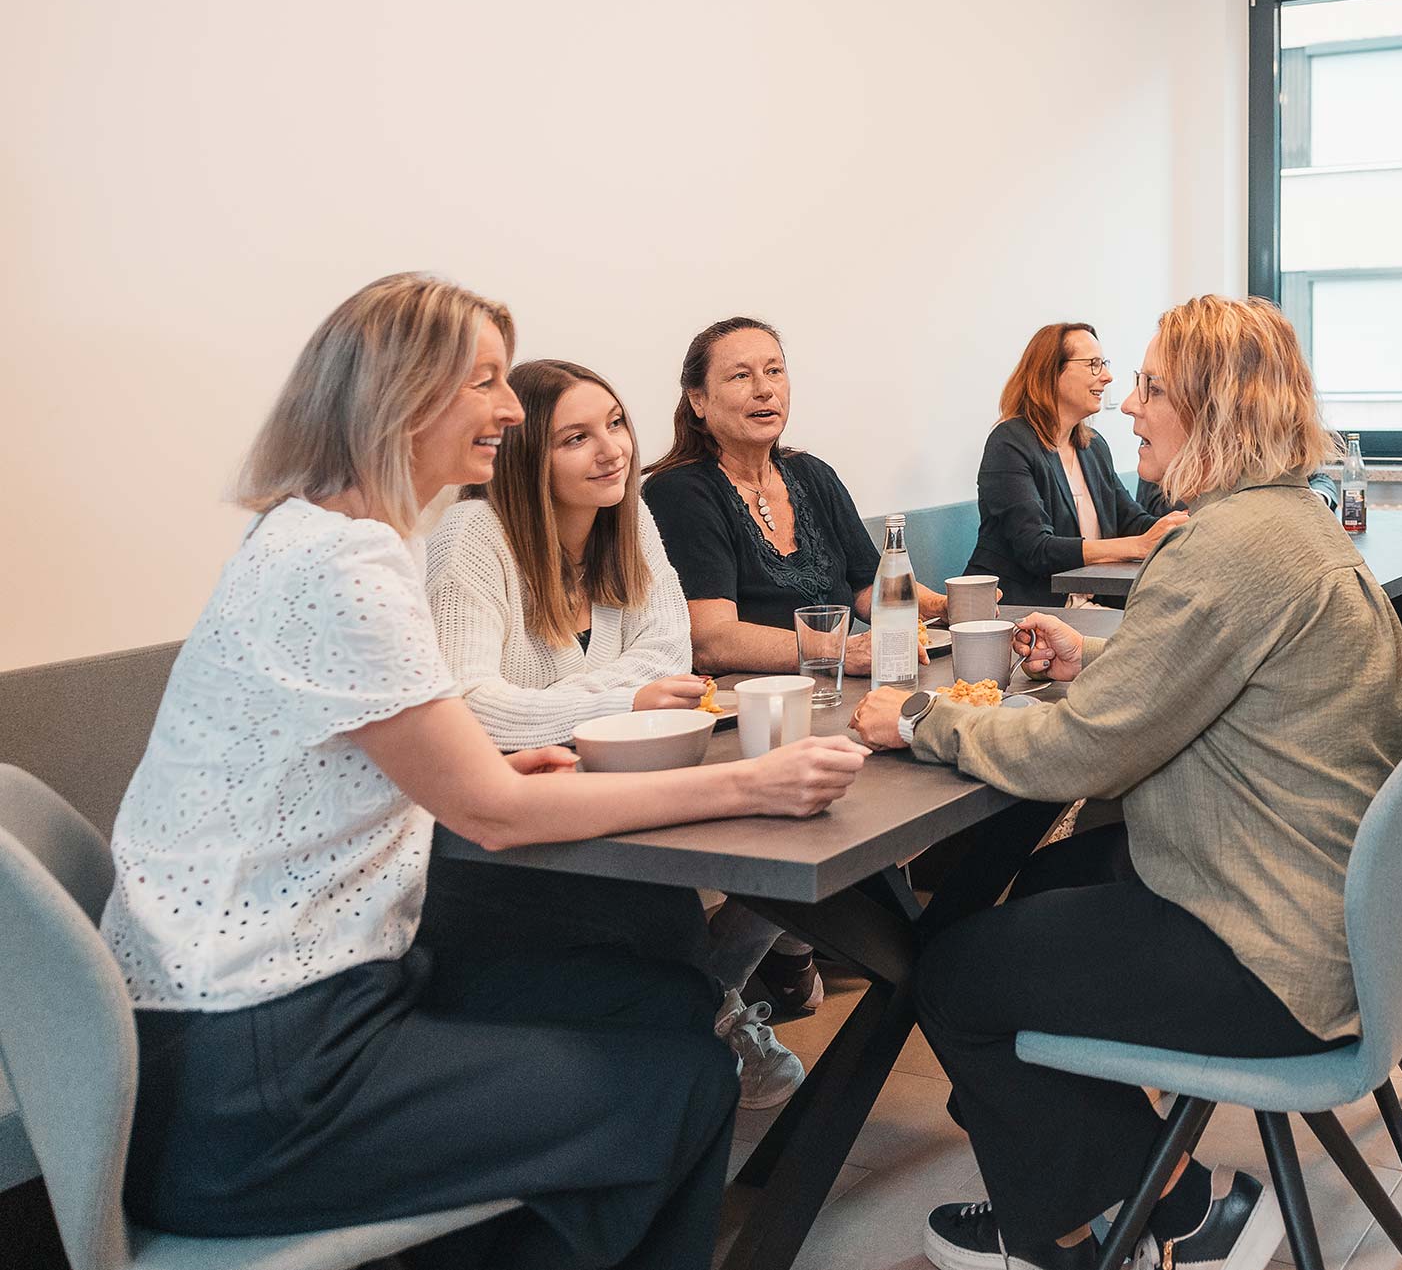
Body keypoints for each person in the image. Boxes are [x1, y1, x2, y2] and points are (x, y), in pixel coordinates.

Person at [101, 273, 868, 1270]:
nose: (512, 408)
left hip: (212, 1048)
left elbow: (401, 765)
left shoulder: (307, 534)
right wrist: (750, 784)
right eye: (487, 381)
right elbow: (498, 815)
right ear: (402, 393)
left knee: (673, 1003)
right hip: (258, 1078)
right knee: (686, 1077)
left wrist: (492, 760)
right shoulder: (350, 564)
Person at [849, 295, 1402, 1270]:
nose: (1129, 406)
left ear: (1211, 403)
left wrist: (917, 716)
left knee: (950, 970)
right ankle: (1149, 1198)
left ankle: (1084, 1226)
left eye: (1150, 386)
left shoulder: (1225, 547)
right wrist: (1098, 666)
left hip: (1272, 953)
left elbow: (1079, 756)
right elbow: (1192, 684)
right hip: (1325, 912)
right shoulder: (1287, 524)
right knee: (1046, 884)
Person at [421, 357, 806, 1107]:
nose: (612, 450)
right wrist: (622, 699)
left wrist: (608, 700)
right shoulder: (472, 533)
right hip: (503, 826)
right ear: (527, 452)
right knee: (668, 902)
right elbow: (469, 705)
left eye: (617, 423)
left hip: (616, 783)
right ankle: (700, 1019)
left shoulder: (630, 521)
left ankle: (708, 1008)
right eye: (576, 437)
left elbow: (668, 658)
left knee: (785, 837)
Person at [643, 315, 944, 677]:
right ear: (698, 400)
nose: (764, 389)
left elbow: (867, 587)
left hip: (830, 686)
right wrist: (839, 650)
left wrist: (944, 606)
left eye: (774, 371)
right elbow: (711, 640)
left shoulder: (811, 473)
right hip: (743, 702)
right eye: (741, 376)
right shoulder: (679, 492)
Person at [965, 321, 1185, 608]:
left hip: (1082, 608)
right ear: (1050, 372)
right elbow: (1036, 549)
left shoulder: (1093, 446)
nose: (1106, 377)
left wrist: (1183, 528)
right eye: (1093, 364)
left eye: (1104, 364)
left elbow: (1131, 520)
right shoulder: (1009, 442)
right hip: (1015, 612)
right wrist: (1137, 545)